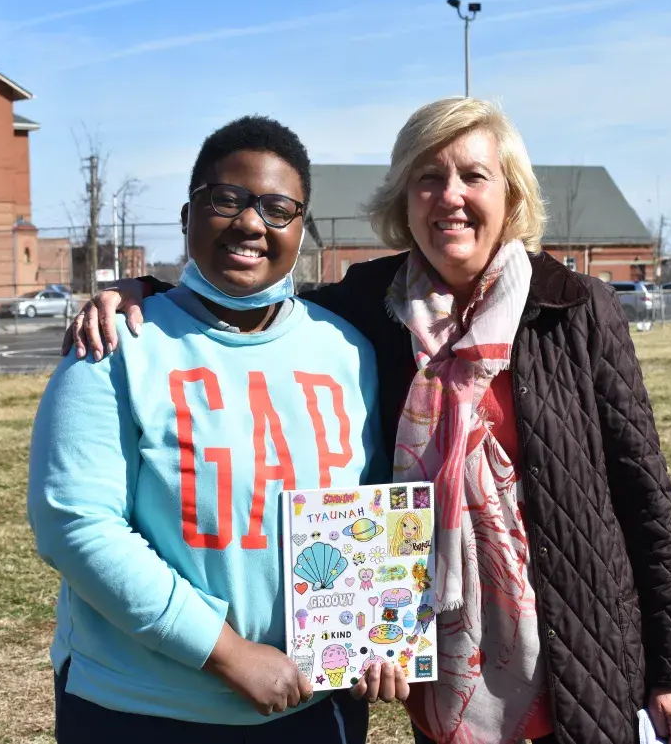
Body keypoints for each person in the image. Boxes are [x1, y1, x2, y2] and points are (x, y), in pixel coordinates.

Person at [63, 98, 671, 744]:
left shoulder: (575, 307)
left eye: (473, 176)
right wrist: (141, 288)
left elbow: (645, 498)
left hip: (578, 652)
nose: (449, 196)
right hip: (451, 672)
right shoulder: (371, 311)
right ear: (404, 199)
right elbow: (249, 284)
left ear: (510, 194)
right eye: (428, 177)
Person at [28, 115, 408, 744]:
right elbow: (73, 523)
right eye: (227, 199)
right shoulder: (116, 343)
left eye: (278, 208)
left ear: (300, 228)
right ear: (188, 215)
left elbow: (371, 506)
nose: (252, 223)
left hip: (312, 709)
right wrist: (228, 654)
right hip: (142, 709)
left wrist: (379, 631)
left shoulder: (347, 349)